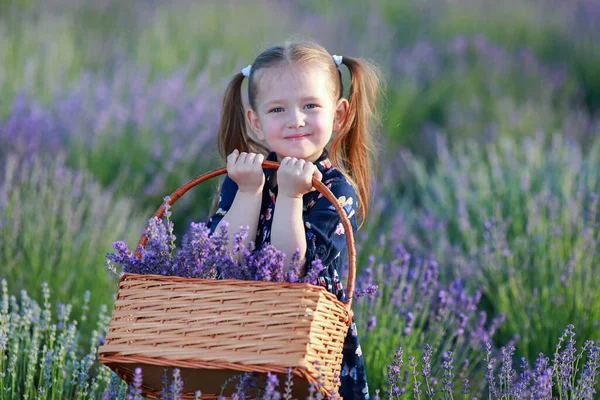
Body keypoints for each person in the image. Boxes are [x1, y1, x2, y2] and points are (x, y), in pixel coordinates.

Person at [207, 40, 383, 400]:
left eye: (310, 105)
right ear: (255, 123)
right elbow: (220, 262)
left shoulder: (336, 189)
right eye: (277, 109)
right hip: (238, 333)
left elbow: (288, 270)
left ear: (339, 116)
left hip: (303, 340)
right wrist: (249, 192)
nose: (295, 120)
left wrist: (290, 195)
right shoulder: (244, 177)